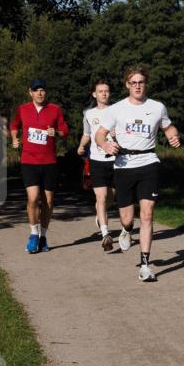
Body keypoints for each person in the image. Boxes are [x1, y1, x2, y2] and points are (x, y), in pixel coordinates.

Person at [94, 66, 180, 283]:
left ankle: (145, 264)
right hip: (123, 165)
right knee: (127, 218)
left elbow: (168, 127)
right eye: (134, 82)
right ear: (127, 85)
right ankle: (125, 230)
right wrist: (105, 145)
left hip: (149, 162)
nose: (138, 86)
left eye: (141, 82)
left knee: (148, 214)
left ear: (146, 84)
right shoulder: (116, 109)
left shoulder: (157, 107)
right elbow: (99, 135)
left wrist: (173, 136)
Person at [10, 79, 69, 254]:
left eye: (43, 90)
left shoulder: (55, 109)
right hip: (29, 160)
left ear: (46, 92)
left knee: (48, 201)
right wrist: (14, 138)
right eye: (36, 90)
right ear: (30, 92)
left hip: (49, 162)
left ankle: (43, 236)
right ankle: (34, 234)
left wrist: (56, 133)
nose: (40, 93)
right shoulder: (23, 109)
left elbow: (65, 131)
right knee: (33, 198)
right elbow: (14, 126)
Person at [78, 78, 117, 252]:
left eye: (106, 91)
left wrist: (118, 135)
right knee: (100, 198)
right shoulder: (88, 113)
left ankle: (100, 217)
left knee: (111, 197)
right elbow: (87, 134)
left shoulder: (118, 111)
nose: (104, 94)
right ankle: (105, 234)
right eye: (100, 91)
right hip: (97, 160)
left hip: (116, 160)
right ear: (94, 94)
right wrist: (81, 145)